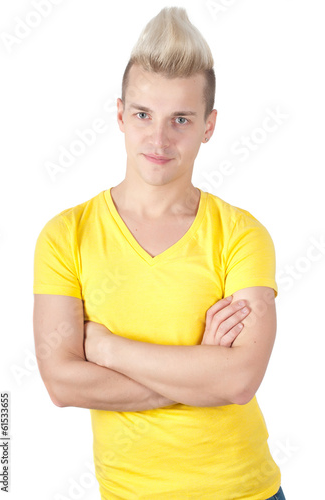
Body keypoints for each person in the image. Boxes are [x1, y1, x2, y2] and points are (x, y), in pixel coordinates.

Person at [33, 7, 286, 499]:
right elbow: (62, 384)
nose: (159, 139)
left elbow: (237, 381)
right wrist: (200, 368)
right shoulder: (66, 235)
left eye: (181, 120)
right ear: (121, 116)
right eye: (144, 115)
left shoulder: (241, 234)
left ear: (208, 126)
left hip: (245, 490)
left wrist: (106, 350)